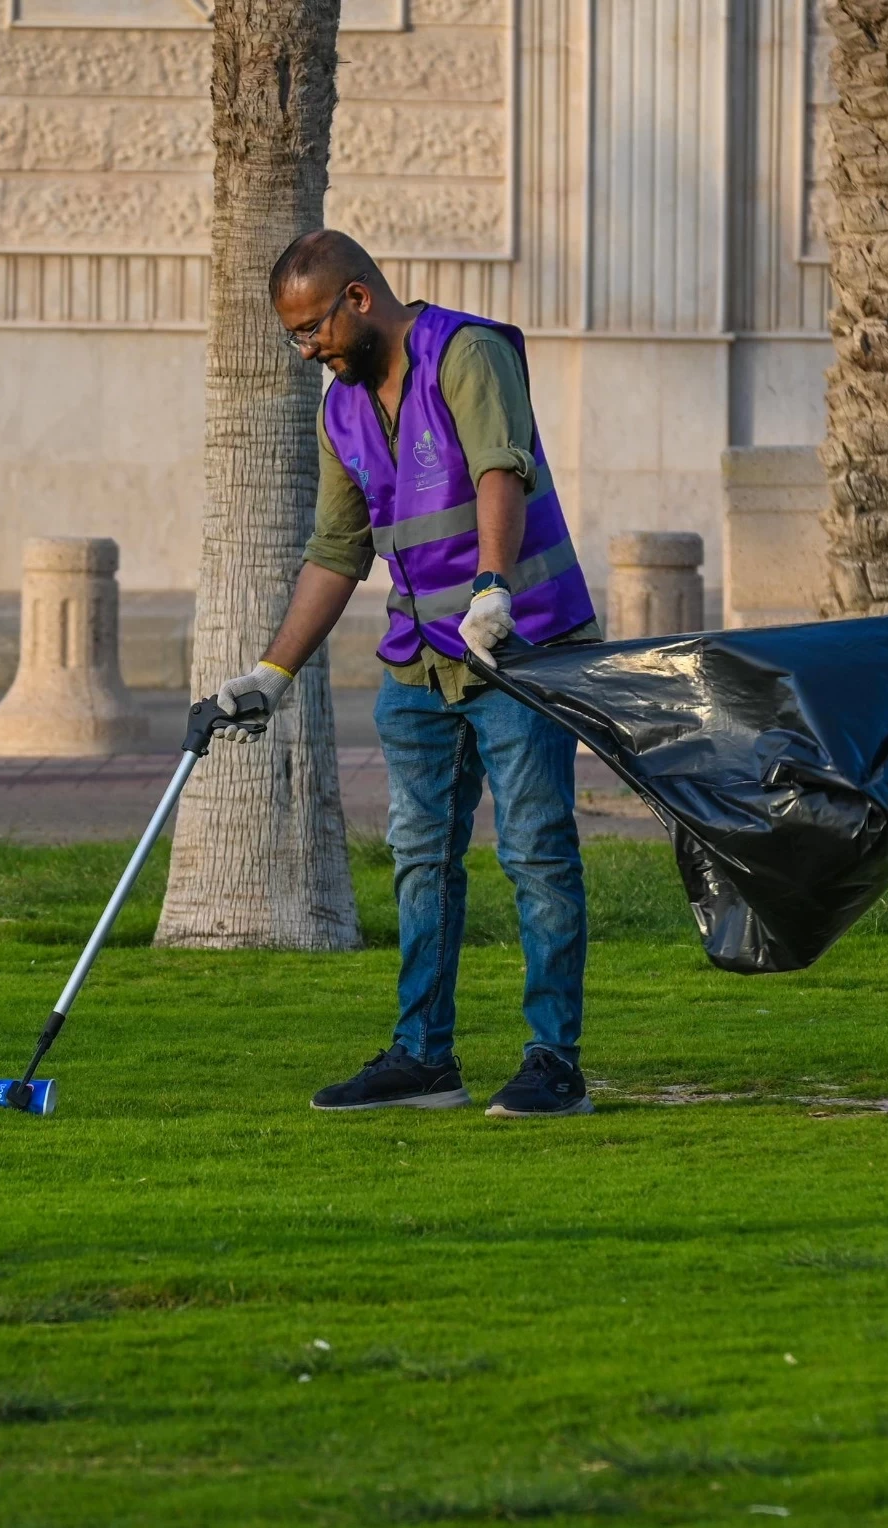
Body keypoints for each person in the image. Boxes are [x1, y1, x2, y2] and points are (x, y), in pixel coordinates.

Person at [212, 230, 599, 1118]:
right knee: (421, 859)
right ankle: (425, 1059)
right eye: (294, 338)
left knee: (537, 853)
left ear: (357, 299)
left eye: (313, 329)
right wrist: (271, 673)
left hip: (521, 646)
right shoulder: (340, 410)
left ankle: (554, 1064)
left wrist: (494, 588)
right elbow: (336, 552)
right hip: (418, 665)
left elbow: (503, 467)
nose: (308, 350)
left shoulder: (466, 351)